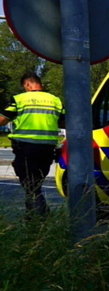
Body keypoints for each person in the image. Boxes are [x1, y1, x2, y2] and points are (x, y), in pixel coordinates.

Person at [0, 72, 65, 216]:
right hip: (47, 149)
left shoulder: (20, 99)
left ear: (27, 84)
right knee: (35, 185)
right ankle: (33, 219)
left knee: (31, 187)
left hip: (26, 148)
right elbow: (63, 121)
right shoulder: (55, 100)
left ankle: (40, 218)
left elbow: (2, 120)